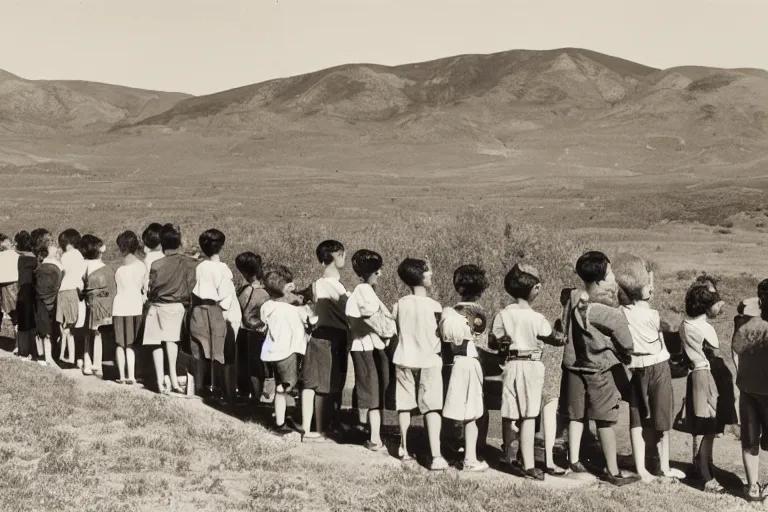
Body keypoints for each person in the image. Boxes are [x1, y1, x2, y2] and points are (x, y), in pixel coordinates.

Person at [562, 251, 638, 486]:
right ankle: (612, 470)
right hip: (599, 370)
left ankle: (573, 459)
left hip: (574, 366)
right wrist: (624, 354)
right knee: (605, 421)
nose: (614, 277)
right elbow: (626, 342)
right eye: (610, 273)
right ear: (600, 280)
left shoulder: (573, 298)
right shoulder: (607, 313)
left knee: (576, 415)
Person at [612, 253, 685, 481]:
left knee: (637, 420)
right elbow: (648, 299)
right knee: (662, 421)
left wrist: (647, 283)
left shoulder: (621, 313)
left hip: (637, 370)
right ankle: (663, 466)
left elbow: (639, 297)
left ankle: (642, 469)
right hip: (659, 367)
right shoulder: (653, 315)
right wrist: (650, 282)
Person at [489, 263, 565, 480]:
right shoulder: (537, 318)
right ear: (535, 290)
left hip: (511, 365)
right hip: (531, 365)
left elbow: (494, 342)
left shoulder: (503, 314)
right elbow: (555, 338)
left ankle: (509, 456)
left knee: (510, 411)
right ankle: (529, 464)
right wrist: (562, 331)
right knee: (529, 414)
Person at [679, 277, 735, 493]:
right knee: (708, 428)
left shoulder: (685, 325)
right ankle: (706, 475)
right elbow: (715, 352)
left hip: (694, 374)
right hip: (708, 376)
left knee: (701, 426)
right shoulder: (706, 329)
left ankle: (703, 467)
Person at [392, 258, 447, 471]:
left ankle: (404, 449)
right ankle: (436, 455)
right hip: (429, 360)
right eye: (429, 272)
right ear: (422, 276)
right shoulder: (435, 306)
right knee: (432, 406)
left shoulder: (399, 304)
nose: (431, 275)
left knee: (404, 405)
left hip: (404, 358)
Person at [346, 249, 396, 452]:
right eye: (377, 271)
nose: (380, 274)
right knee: (374, 393)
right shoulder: (364, 293)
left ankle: (376, 434)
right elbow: (383, 327)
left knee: (377, 392)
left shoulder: (365, 292)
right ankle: (375, 438)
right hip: (368, 347)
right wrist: (390, 323)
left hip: (371, 346)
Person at [301, 240, 349, 442]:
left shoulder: (316, 285)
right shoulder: (335, 286)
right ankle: (316, 428)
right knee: (320, 385)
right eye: (341, 254)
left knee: (318, 383)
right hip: (331, 336)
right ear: (336, 256)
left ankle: (317, 427)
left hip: (322, 334)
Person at [187, 229, 239, 403]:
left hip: (198, 309)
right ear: (221, 247)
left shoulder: (200, 266)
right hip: (215, 310)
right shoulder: (223, 269)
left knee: (200, 350)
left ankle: (200, 386)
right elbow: (226, 296)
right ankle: (219, 388)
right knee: (218, 352)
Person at [144, 224, 197, 395]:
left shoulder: (156, 264)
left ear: (161, 243)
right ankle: (174, 379)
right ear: (179, 242)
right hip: (176, 307)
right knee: (172, 343)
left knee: (155, 344)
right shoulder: (188, 262)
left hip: (157, 306)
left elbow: (150, 289)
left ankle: (161, 382)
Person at [260, 265, 311, 435]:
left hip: (271, 351)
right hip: (288, 352)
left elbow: (265, 318)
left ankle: (280, 421)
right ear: (287, 289)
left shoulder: (267, 306)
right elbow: (310, 320)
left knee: (280, 385)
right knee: (287, 386)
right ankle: (288, 419)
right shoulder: (295, 311)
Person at [732, 279, 768, 502]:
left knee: (750, 439)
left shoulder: (743, 322)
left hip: (747, 387)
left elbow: (734, 351)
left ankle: (753, 487)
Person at [235, 251, 272, 403]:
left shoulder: (244, 290)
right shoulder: (265, 292)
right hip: (259, 333)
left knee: (246, 368)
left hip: (244, 332)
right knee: (258, 369)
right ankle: (257, 398)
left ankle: (249, 396)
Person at [112, 231, 146, 385]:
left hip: (119, 307)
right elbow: (144, 289)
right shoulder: (141, 266)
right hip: (135, 306)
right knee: (131, 344)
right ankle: (131, 376)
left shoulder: (119, 270)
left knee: (120, 343)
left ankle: (121, 375)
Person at [81, 234, 115, 377]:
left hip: (89, 304)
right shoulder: (106, 269)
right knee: (99, 335)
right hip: (105, 305)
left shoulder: (84, 265)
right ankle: (97, 364)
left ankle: (87, 363)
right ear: (100, 249)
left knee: (88, 334)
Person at [32, 231, 63, 367]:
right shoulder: (59, 267)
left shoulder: (39, 268)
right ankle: (55, 354)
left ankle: (46, 355)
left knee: (43, 332)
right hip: (55, 301)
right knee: (55, 329)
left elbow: (35, 286)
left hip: (41, 302)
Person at [56, 229, 86, 365]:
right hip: (75, 291)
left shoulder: (64, 256)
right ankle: (74, 357)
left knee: (65, 327)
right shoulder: (79, 256)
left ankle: (65, 355)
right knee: (74, 327)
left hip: (63, 291)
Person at [14, 231, 37, 362]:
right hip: (32, 291)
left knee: (23, 322)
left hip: (22, 292)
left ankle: (23, 351)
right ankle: (32, 351)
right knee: (31, 322)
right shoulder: (34, 258)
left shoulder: (19, 258)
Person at [0, 234, 20, 347]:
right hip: (13, 284)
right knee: (16, 315)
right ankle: (18, 343)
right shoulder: (15, 255)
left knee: (15, 314)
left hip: (6, 284)